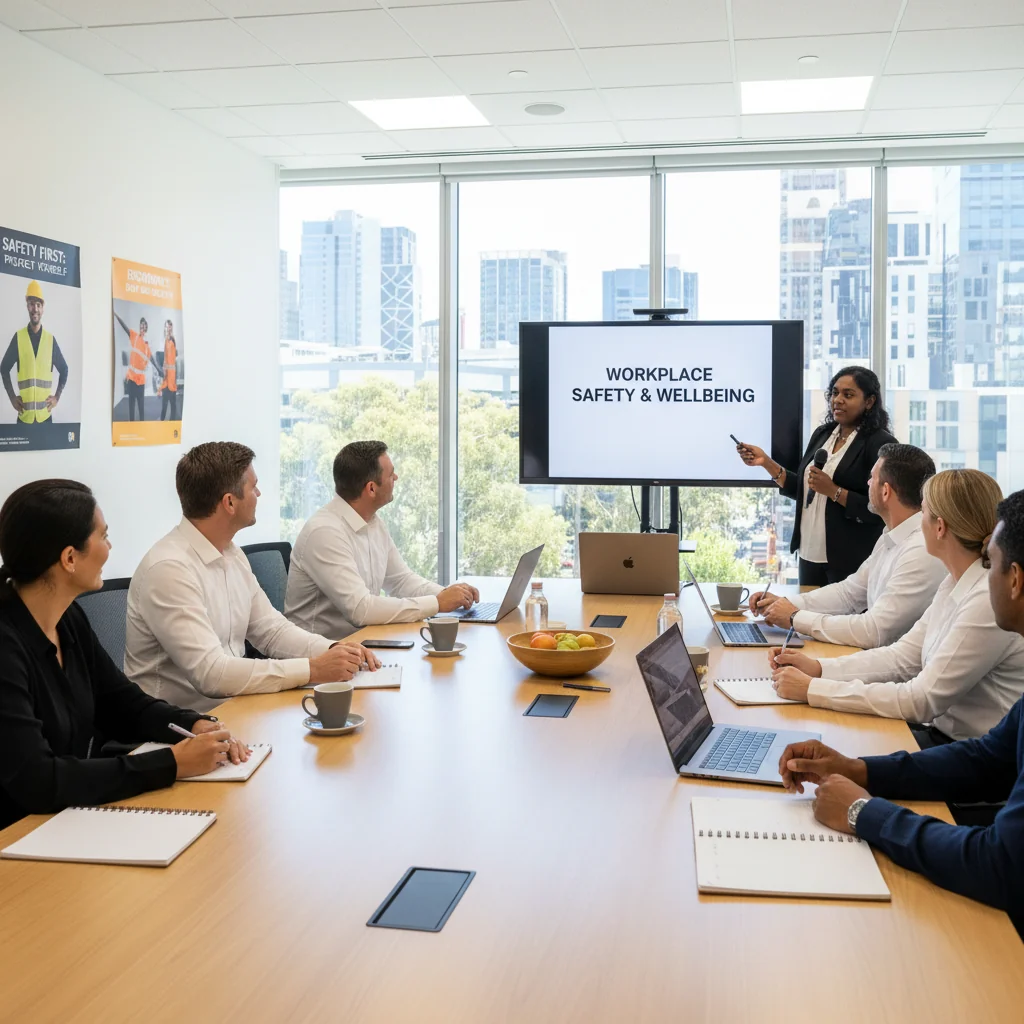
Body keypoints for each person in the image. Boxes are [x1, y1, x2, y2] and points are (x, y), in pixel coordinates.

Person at [776, 488, 1024, 937]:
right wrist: (855, 768)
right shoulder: (952, 583)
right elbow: (986, 757)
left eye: (993, 561)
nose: (986, 573)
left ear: (1015, 580)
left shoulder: (982, 608)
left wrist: (864, 813)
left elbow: (1001, 864)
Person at [0, 479, 250, 832]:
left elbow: (121, 702)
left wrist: (192, 724)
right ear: (69, 558)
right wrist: (172, 764)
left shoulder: (67, 618)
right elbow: (37, 779)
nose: (110, 547)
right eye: (103, 536)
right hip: (18, 833)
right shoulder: (7, 645)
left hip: (63, 820)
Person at [771, 469, 1024, 744]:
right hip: (945, 737)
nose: (918, 524)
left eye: (923, 513)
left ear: (940, 527)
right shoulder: (954, 582)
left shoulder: (984, 600)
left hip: (971, 755)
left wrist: (815, 689)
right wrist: (819, 668)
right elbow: (903, 658)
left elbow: (922, 700)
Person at [126, 442, 378, 713]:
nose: (259, 493)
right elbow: (212, 674)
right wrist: (312, 668)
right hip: (177, 731)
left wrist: (334, 649)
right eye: (253, 487)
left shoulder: (231, 554)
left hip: (233, 709)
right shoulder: (169, 570)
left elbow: (271, 631)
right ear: (230, 502)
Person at [750, 443, 947, 649]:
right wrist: (786, 604)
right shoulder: (892, 537)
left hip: (891, 671)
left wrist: (794, 618)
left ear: (886, 491)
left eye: (872, 478)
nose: (868, 483)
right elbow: (849, 594)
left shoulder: (920, 550)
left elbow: (874, 631)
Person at [285, 440, 479, 638]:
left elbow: (400, 581)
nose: (396, 477)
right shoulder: (324, 532)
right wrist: (437, 603)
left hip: (360, 645)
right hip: (321, 655)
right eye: (390, 474)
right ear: (371, 488)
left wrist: (449, 595)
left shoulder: (373, 522)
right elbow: (360, 609)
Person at [736, 366, 897, 585]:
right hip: (809, 553)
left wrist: (834, 491)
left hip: (850, 559)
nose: (837, 400)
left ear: (869, 402)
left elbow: (881, 509)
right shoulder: (823, 434)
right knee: (807, 616)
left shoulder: (880, 443)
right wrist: (765, 462)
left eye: (848, 395)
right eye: (835, 393)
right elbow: (805, 490)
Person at [0, 281, 69, 425]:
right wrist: (12, 398)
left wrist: (56, 397)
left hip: (45, 417)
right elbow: (4, 368)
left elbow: (64, 369)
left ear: (43, 308)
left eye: (38, 305)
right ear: (27, 306)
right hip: (24, 417)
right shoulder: (19, 338)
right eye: (32, 304)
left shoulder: (50, 340)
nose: (35, 309)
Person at [114, 312, 160, 422]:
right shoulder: (134, 336)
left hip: (141, 381)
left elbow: (151, 359)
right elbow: (125, 328)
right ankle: (131, 424)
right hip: (131, 379)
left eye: (145, 325)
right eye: (141, 325)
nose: (143, 327)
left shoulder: (147, 345)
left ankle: (141, 426)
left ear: (146, 328)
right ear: (140, 327)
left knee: (141, 406)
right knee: (131, 405)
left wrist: (158, 369)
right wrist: (117, 316)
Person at [158, 319, 178, 422]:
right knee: (164, 407)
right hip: (167, 380)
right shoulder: (164, 342)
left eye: (170, 326)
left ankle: (172, 425)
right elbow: (164, 359)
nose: (168, 328)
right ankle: (162, 425)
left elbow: (173, 360)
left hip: (172, 379)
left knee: (173, 406)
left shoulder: (172, 340)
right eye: (167, 326)